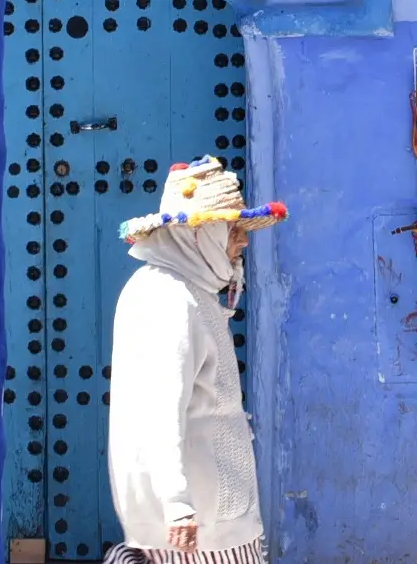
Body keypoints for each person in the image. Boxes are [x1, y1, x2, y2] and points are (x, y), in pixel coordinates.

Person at [103, 156, 287, 564]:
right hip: (203, 528)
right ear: (201, 233)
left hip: (206, 520)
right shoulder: (172, 299)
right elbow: (161, 407)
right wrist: (177, 503)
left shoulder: (179, 289)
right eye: (232, 229)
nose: (242, 241)